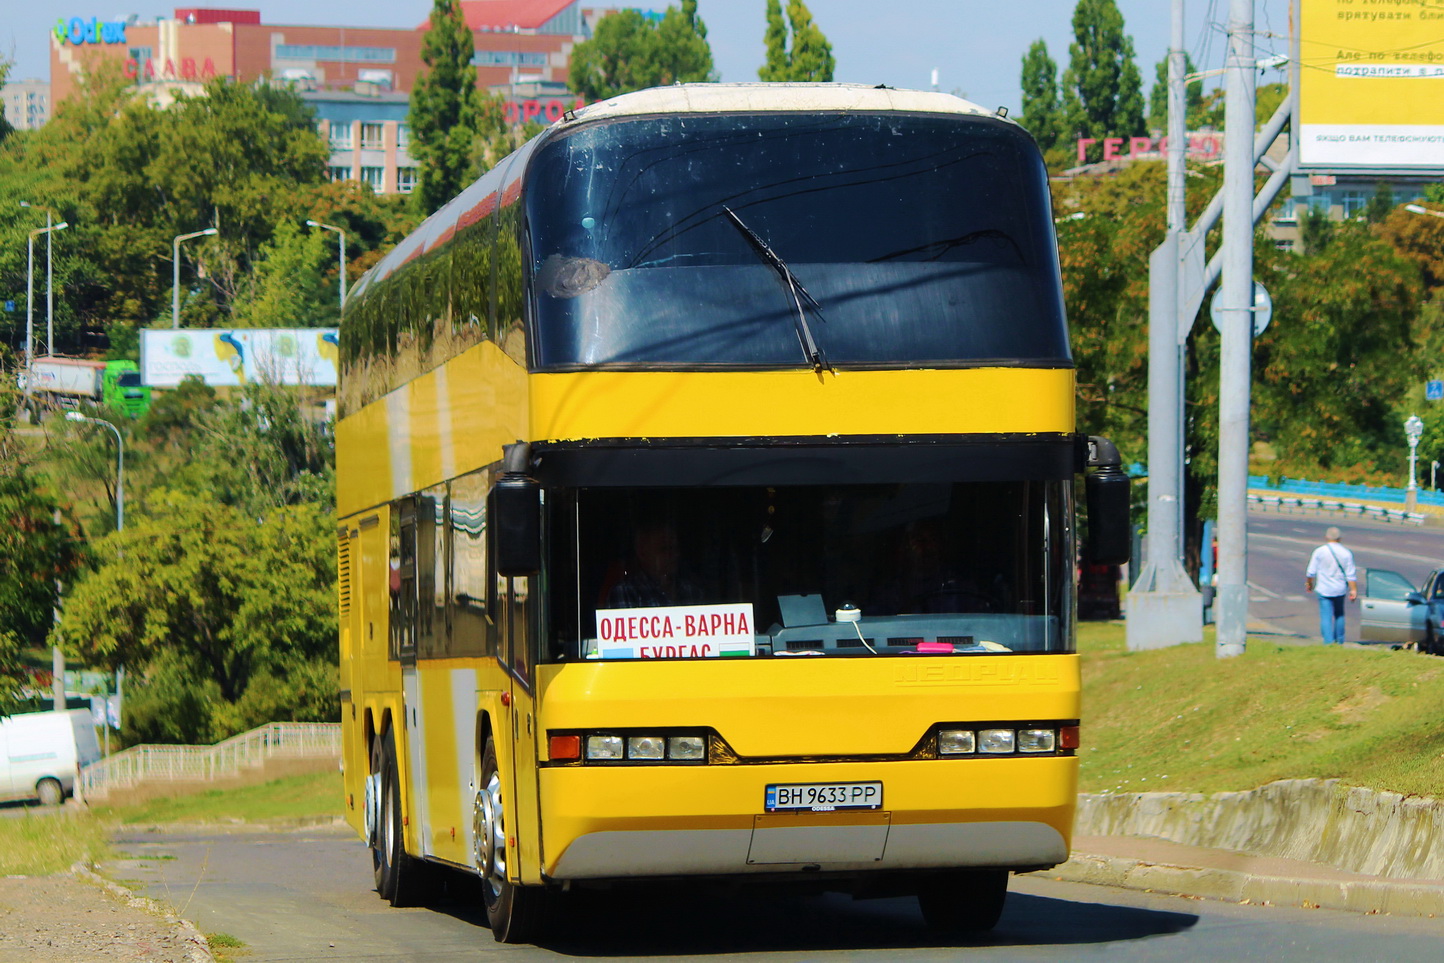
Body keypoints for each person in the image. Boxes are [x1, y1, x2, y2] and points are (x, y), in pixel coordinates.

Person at [1305, 526, 1357, 645]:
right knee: (1339, 615)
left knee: (1326, 617)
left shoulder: (1320, 551)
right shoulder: (1346, 553)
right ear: (1340, 538)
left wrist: (1309, 584)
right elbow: (1351, 574)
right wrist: (1353, 590)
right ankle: (1340, 641)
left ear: (1326, 537)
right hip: (1340, 589)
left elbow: (1311, 572)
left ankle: (1328, 642)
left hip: (1324, 589)